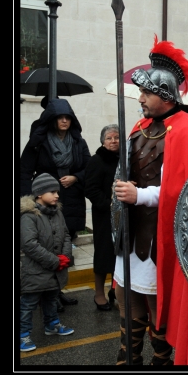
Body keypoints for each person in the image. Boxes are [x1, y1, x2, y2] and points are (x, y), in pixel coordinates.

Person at [112, 36, 188, 365]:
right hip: (132, 231)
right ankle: (129, 357)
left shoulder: (185, 130)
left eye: (146, 93)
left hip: (161, 238)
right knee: (128, 301)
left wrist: (138, 194)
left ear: (165, 95)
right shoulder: (139, 126)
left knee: (158, 306)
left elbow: (184, 188)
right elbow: (123, 172)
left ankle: (160, 360)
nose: (139, 98)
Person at [21, 98, 91, 308]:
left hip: (70, 199)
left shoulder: (78, 141)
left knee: (64, 246)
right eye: (59, 117)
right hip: (45, 202)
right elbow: (24, 170)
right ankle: (45, 296)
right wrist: (29, 201)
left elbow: (89, 166)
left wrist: (75, 177)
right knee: (45, 247)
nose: (64, 121)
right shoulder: (39, 141)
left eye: (67, 117)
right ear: (52, 120)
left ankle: (57, 291)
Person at [20, 173, 75, 352]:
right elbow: (29, 244)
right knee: (28, 304)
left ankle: (52, 324)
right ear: (39, 194)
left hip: (54, 271)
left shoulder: (57, 212)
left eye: (57, 192)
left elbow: (66, 234)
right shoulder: (29, 216)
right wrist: (54, 261)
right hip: (35, 272)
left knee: (51, 298)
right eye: (52, 192)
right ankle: (22, 334)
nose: (57, 195)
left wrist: (65, 256)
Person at [84, 124, 120, 311]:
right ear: (103, 141)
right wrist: (108, 204)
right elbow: (90, 188)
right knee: (103, 255)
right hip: (104, 216)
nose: (113, 141)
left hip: (122, 215)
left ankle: (116, 290)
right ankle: (99, 293)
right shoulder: (96, 161)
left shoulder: (124, 160)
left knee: (120, 254)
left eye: (116, 138)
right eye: (109, 138)